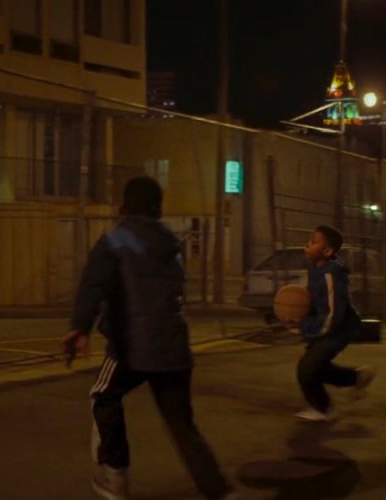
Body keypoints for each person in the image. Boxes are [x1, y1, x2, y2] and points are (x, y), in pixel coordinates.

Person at [61, 176, 232, 500]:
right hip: (174, 346)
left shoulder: (114, 240)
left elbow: (93, 285)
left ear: (125, 204)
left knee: (103, 395)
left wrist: (79, 329)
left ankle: (115, 476)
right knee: (182, 426)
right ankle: (221, 492)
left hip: (133, 344)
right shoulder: (171, 243)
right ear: (158, 207)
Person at [287, 225, 376, 422]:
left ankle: (323, 409)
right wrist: (299, 316)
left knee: (306, 369)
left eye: (313, 242)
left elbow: (333, 314)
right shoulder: (314, 267)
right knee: (316, 368)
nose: (307, 245)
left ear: (327, 251)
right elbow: (314, 300)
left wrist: (306, 326)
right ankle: (356, 378)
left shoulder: (332, 275)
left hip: (339, 328)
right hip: (326, 325)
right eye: (309, 240)